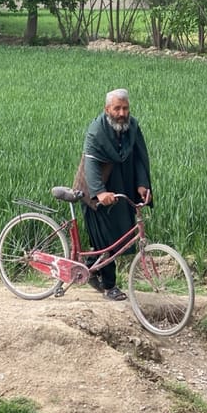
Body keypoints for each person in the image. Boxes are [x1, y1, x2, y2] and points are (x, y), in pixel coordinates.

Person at [78, 88, 152, 301]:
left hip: (121, 186)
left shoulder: (132, 126)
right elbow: (91, 164)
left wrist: (142, 184)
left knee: (120, 235)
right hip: (95, 190)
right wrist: (100, 193)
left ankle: (90, 267)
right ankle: (109, 286)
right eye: (117, 108)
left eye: (125, 108)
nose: (122, 113)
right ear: (107, 109)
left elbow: (138, 157)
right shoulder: (96, 130)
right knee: (105, 239)